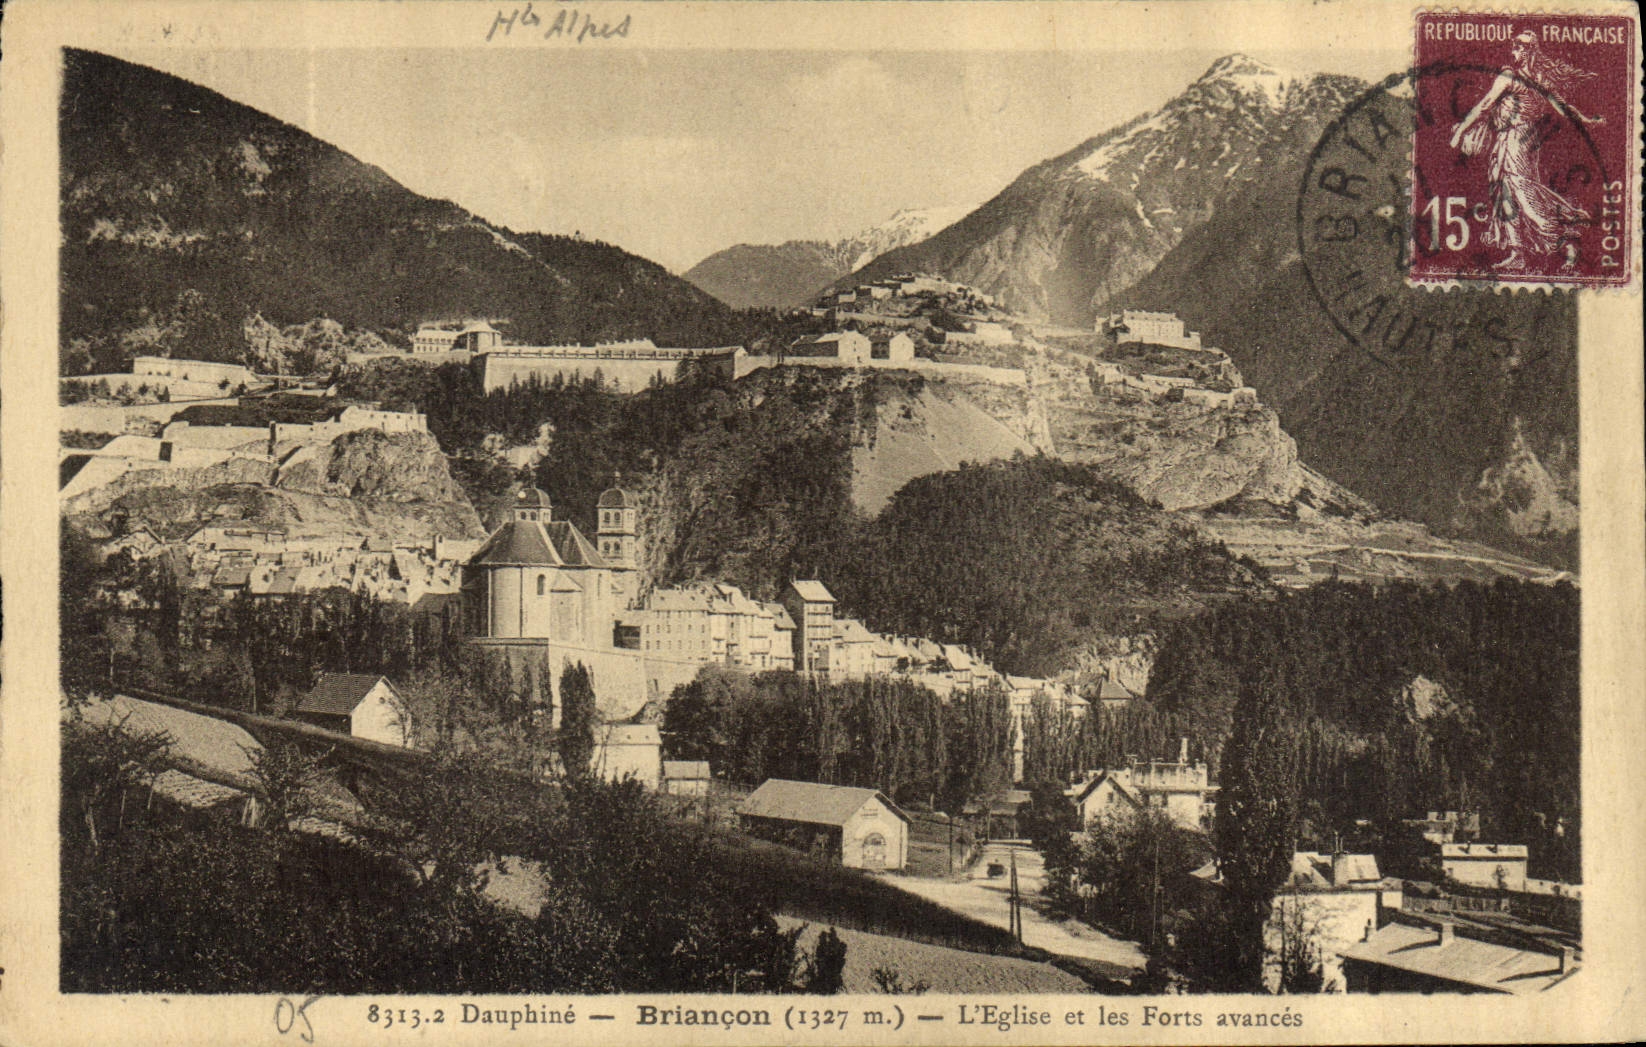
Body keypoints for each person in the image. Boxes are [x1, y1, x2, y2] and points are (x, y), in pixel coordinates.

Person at [1448, 30, 1604, 271]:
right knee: (1505, 193)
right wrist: (1586, 119)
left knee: (1524, 192)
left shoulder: (1511, 77)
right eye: (1514, 48)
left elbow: (1485, 105)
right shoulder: (1540, 80)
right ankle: (1518, 252)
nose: (1513, 52)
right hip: (1523, 140)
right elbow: (1562, 108)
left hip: (1515, 140)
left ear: (1528, 51)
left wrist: (1460, 132)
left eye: (1518, 48)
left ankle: (1564, 235)